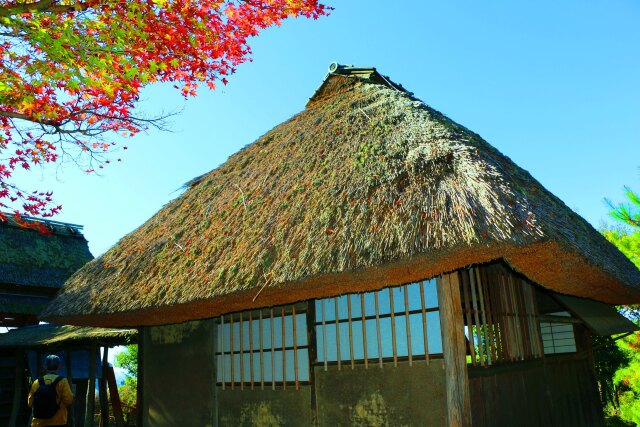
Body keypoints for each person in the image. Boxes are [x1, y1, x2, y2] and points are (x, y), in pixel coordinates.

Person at [28, 354, 74, 427]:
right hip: (58, 421)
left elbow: (30, 403)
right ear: (59, 367)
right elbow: (69, 400)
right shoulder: (62, 381)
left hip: (38, 423)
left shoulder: (36, 382)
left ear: (45, 367)